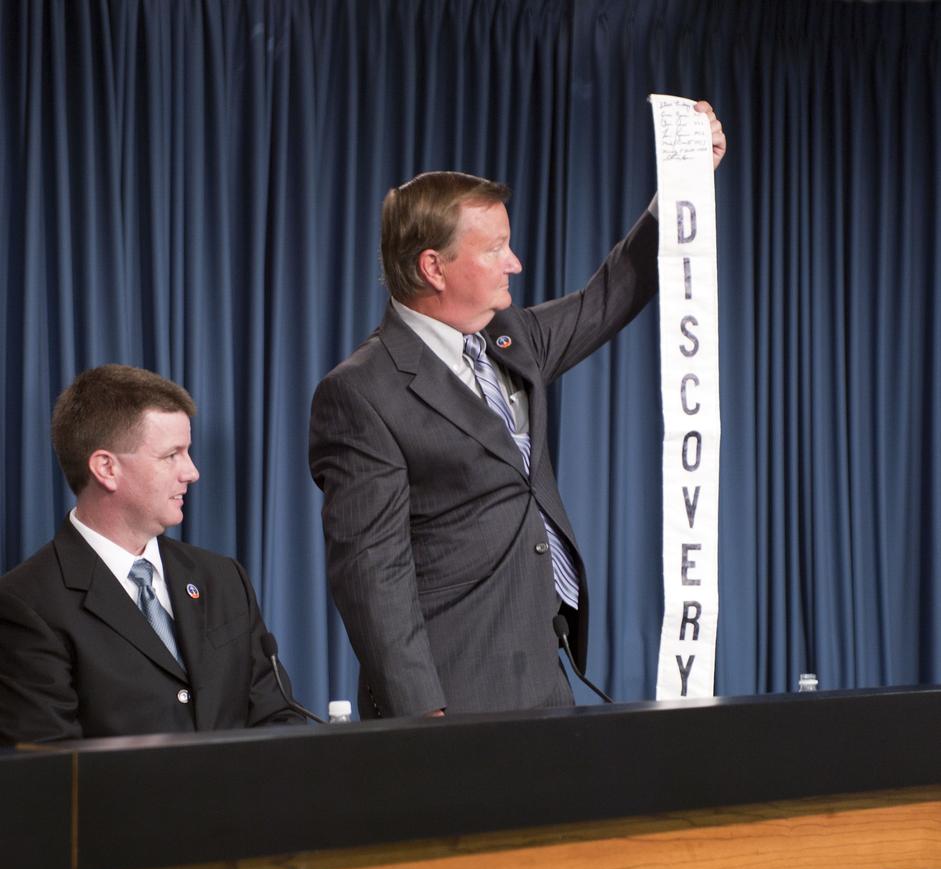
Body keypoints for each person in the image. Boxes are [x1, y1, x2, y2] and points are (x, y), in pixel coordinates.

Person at [310, 102, 726, 719]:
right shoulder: (363, 391)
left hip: (541, 675)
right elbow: (372, 576)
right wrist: (423, 716)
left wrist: (682, 187)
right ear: (434, 266)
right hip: (453, 695)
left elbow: (607, 297)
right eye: (497, 248)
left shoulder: (512, 337)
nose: (516, 263)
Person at [0, 364, 303, 743]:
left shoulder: (223, 578)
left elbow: (278, 719)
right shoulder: (27, 605)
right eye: (171, 455)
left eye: (187, 452)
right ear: (106, 468)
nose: (192, 472)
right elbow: (52, 773)